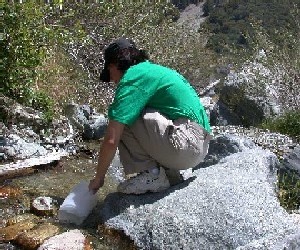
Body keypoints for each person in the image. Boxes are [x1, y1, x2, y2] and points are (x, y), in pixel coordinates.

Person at [88, 37, 211, 195]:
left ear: (116, 64)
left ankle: (152, 175)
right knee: (130, 113)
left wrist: (98, 179)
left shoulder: (133, 77)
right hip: (199, 146)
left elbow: (111, 140)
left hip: (186, 145)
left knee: (121, 119)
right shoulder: (153, 71)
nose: (111, 79)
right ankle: (167, 174)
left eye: (109, 71)